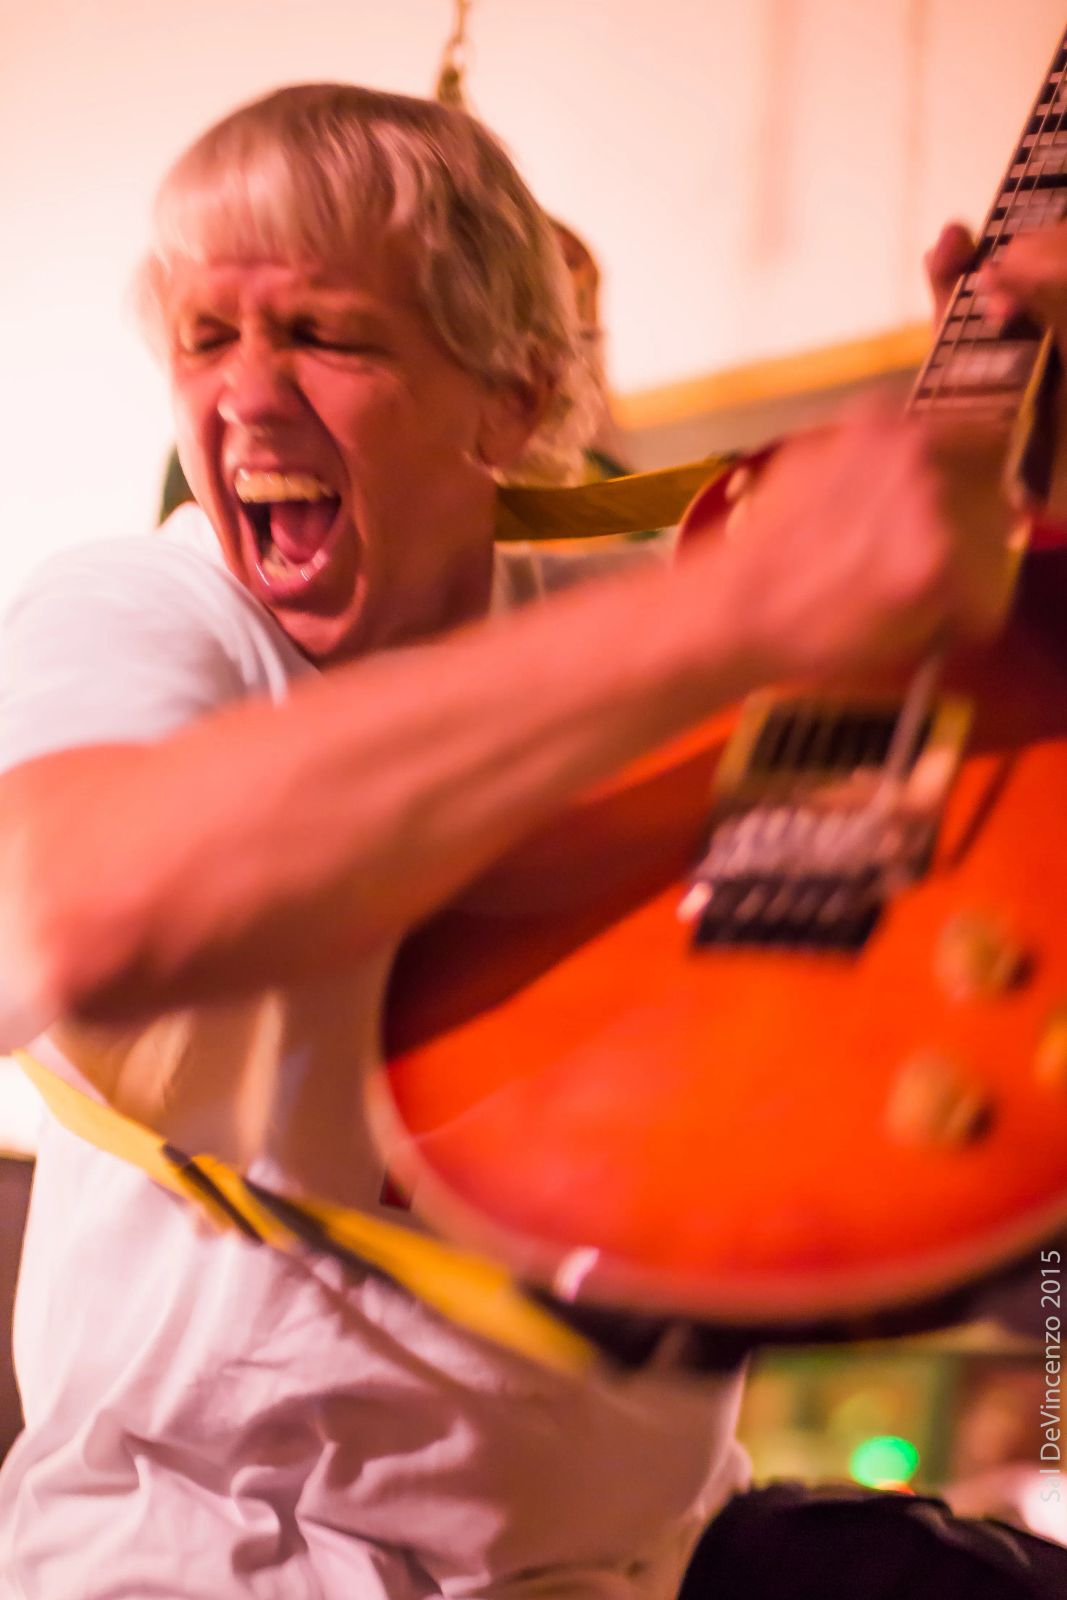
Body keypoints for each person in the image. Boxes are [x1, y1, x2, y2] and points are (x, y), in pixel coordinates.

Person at [0, 81, 1059, 1598]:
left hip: (639, 1559)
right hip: (218, 1556)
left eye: (324, 334)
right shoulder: (139, 613)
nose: (247, 395)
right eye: (204, 336)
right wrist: (743, 608)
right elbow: (66, 903)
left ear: (511, 394)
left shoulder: (637, 634)